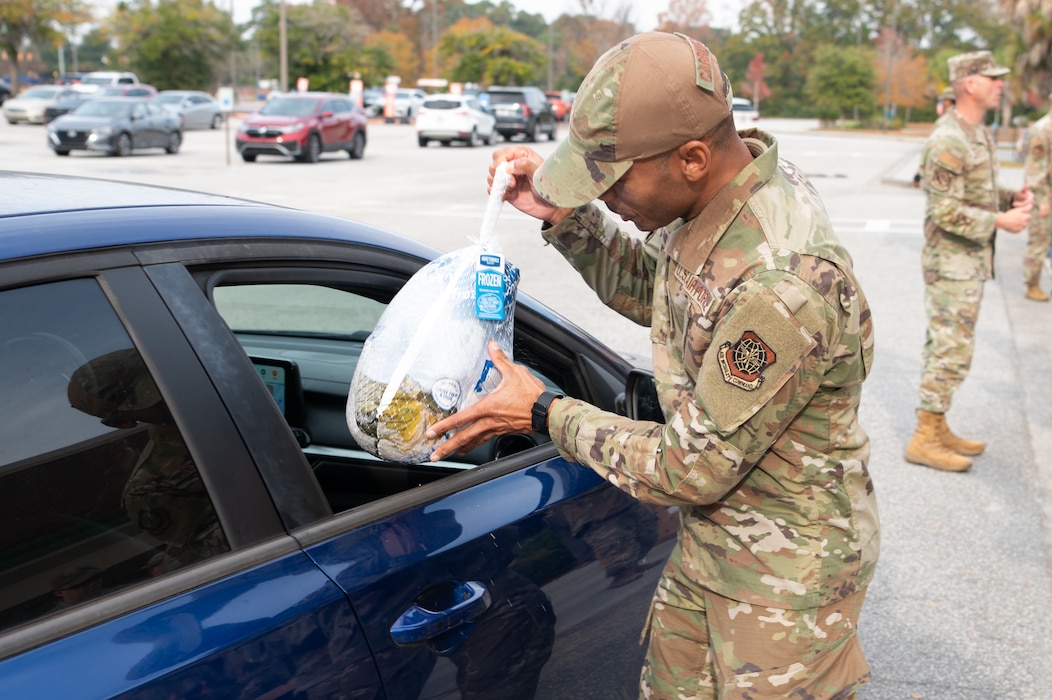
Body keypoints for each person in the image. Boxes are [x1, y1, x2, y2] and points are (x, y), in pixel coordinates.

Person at [426, 31, 879, 699]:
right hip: (716, 540)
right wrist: (566, 218)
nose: (603, 194)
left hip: (786, 579)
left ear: (692, 157)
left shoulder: (783, 284)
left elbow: (690, 465)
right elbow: (660, 292)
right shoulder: (717, 196)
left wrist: (543, 411)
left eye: (610, 179)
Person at [905, 51, 1034, 472]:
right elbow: (943, 210)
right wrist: (1001, 220)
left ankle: (937, 423)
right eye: (992, 78)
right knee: (950, 349)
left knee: (949, 346)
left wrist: (1008, 198)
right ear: (969, 84)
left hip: (969, 261)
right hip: (951, 263)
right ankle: (924, 438)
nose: (1001, 84)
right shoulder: (948, 139)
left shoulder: (976, 133)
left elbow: (972, 193)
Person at [1023, 92, 1052, 302]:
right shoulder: (1043, 129)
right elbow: (1035, 169)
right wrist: (1042, 199)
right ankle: (1032, 283)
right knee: (1039, 243)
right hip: (1045, 195)